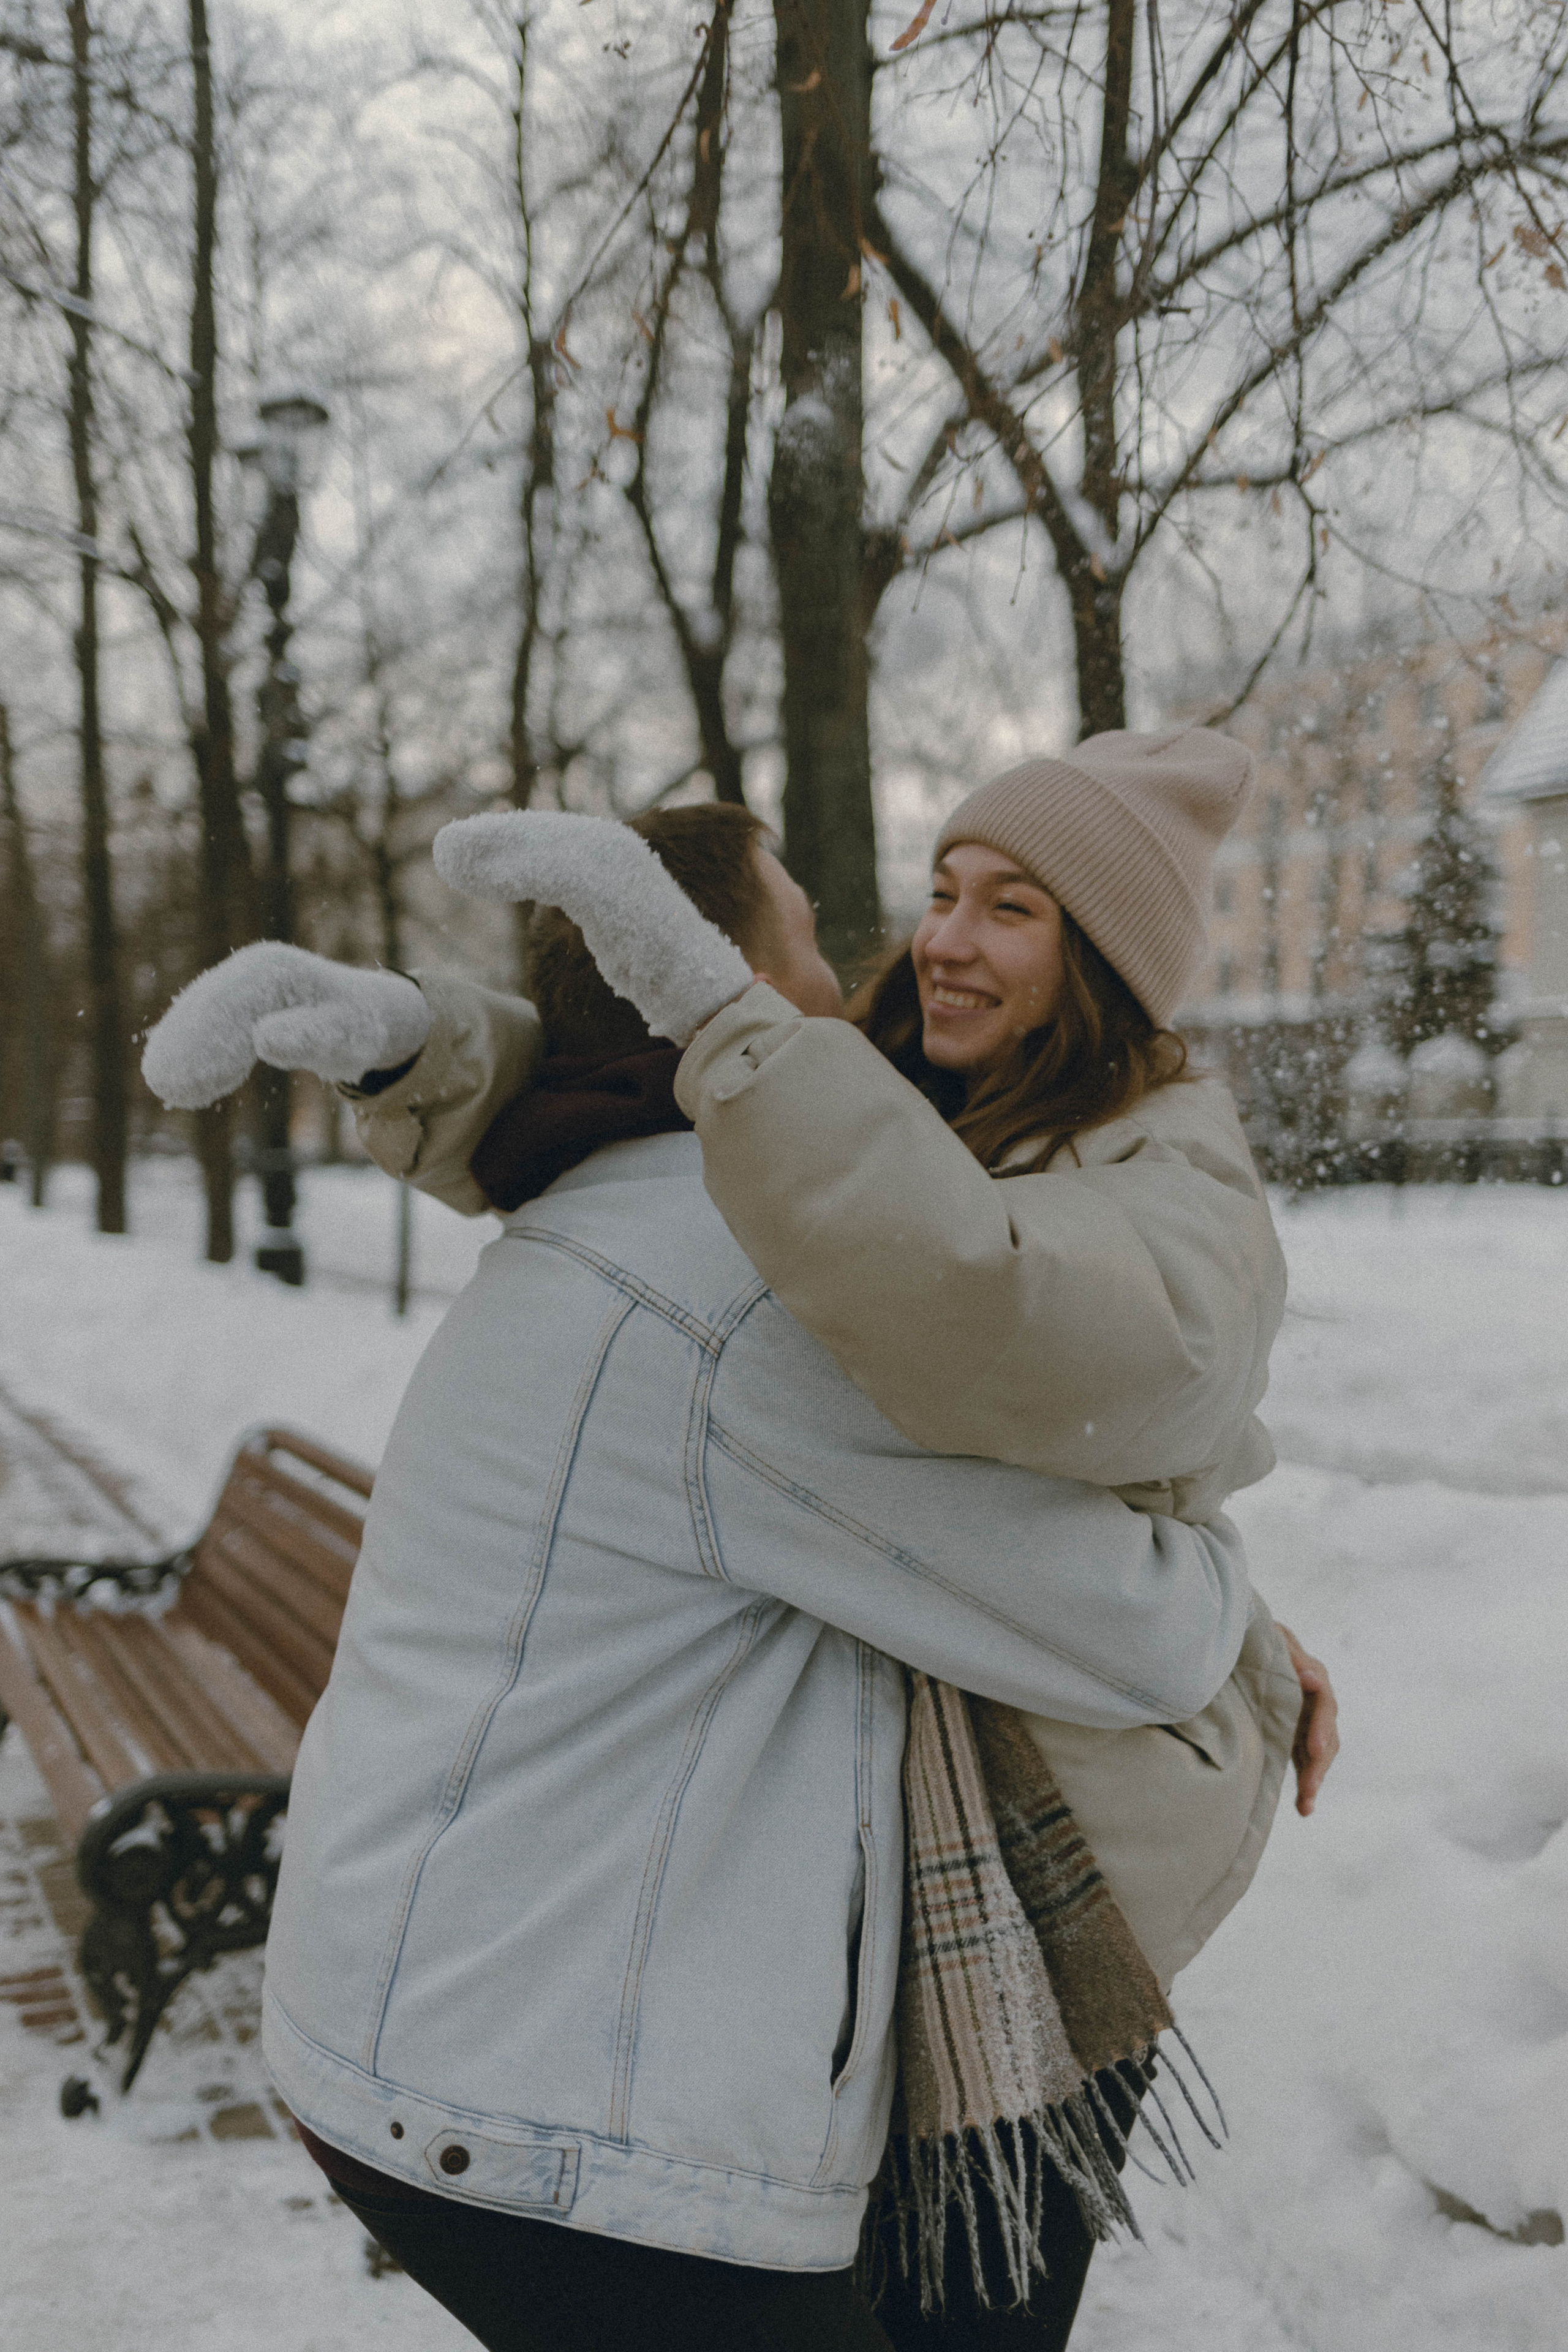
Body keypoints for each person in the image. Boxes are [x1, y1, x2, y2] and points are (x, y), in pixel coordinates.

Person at [140, 813, 1259, 2352]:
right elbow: (1137, 1638)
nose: (867, 979)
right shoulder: (743, 1296)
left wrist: (438, 1049)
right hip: (538, 2107)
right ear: (732, 988)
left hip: (430, 2017)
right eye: (810, 940)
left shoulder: (607, 1195)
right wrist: (1225, 1574)